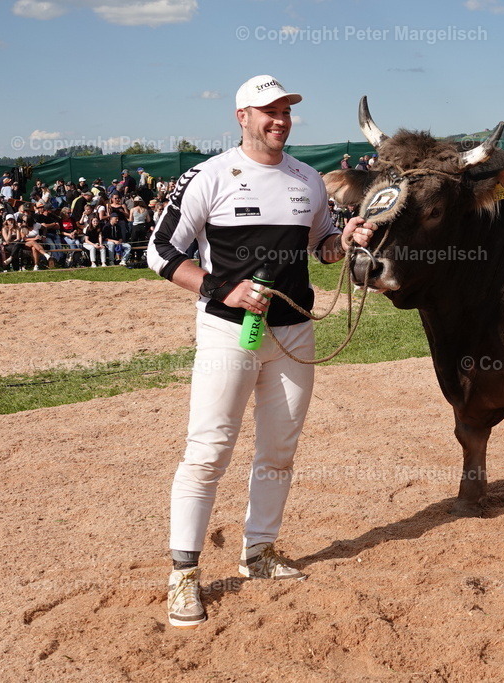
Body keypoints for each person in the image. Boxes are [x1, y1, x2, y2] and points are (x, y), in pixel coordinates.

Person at [146, 75, 374, 630]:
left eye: (287, 111)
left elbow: (319, 246)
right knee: (208, 451)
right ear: (241, 116)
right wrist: (219, 288)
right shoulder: (208, 175)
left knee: (279, 451)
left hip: (293, 332)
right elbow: (158, 250)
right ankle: (184, 574)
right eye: (268, 111)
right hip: (229, 330)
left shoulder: (307, 181)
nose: (280, 120)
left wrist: (342, 241)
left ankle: (259, 552)